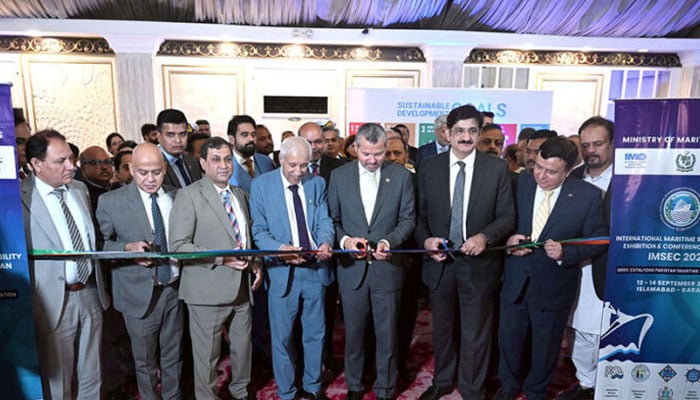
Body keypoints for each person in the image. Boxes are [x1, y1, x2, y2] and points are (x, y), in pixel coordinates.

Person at [494, 137, 607, 400]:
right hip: (516, 278)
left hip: (554, 283)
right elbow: (501, 219)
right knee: (509, 339)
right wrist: (508, 241)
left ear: (568, 171)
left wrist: (567, 252)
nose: (541, 176)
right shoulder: (519, 182)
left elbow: (598, 239)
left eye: (551, 171)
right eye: (538, 166)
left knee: (545, 346)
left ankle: (535, 391)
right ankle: (508, 387)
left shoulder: (587, 196)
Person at [415, 105, 515, 400]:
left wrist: (485, 236)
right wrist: (425, 241)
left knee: (475, 332)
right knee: (443, 329)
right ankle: (443, 381)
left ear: (480, 133)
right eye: (459, 130)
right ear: (447, 133)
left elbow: (507, 216)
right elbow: (419, 216)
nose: (466, 136)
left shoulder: (496, 169)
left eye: (473, 130)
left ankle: (473, 389)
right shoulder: (429, 167)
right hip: (440, 263)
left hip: (479, 263)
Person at [170, 136, 262, 400]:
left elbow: (245, 240)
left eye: (227, 159)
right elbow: (178, 247)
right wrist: (222, 259)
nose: (223, 165)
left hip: (242, 290)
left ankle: (240, 393)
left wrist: (256, 262)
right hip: (206, 293)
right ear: (202, 162)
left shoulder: (240, 195)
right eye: (215, 159)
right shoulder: (189, 196)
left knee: (243, 351)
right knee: (207, 358)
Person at [328, 123, 416, 400]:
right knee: (353, 334)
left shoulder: (401, 176)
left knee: (387, 335)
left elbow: (408, 219)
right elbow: (333, 220)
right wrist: (345, 242)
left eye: (379, 154)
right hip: (351, 270)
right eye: (366, 154)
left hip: (387, 269)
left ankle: (386, 388)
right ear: (355, 149)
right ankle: (354, 385)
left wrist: (389, 242)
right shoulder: (339, 177)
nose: (373, 160)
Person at [21, 129, 109, 399]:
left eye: (71, 158)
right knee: (57, 382)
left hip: (91, 293)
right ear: (36, 164)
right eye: (61, 161)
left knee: (92, 377)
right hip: (53, 301)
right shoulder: (19, 197)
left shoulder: (79, 189)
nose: (71, 166)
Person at [96, 143, 184, 400]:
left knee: (174, 354)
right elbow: (99, 246)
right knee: (144, 361)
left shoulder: (177, 196)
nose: (150, 179)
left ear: (165, 168)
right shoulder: (110, 201)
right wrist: (127, 249)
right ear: (131, 170)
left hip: (174, 288)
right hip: (137, 293)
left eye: (156, 172)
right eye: (143, 172)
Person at [250, 137, 335, 400]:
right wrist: (281, 249)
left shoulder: (316, 182)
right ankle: (287, 392)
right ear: (280, 160)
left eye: (304, 165)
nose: (299, 172)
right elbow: (259, 231)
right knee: (282, 338)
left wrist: (325, 241)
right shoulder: (261, 186)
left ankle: (312, 386)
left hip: (314, 270)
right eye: (293, 165)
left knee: (315, 334)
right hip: (282, 272)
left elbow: (324, 220)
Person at [556, 117, 613, 400]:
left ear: (612, 144)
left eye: (598, 144)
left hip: (610, 268)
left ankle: (606, 384)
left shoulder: (631, 178)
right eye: (586, 144)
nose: (591, 150)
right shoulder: (572, 177)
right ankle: (586, 383)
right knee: (575, 324)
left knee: (602, 328)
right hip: (573, 265)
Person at [298, 120, 345, 370]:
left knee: (327, 310)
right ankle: (300, 360)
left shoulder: (341, 167)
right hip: (296, 256)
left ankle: (325, 355)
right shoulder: (287, 168)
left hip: (331, 252)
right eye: (310, 142)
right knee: (297, 316)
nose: (315, 147)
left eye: (320, 141)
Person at [227, 115, 275, 192]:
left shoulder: (265, 162)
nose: (251, 139)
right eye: (245, 135)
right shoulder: (225, 165)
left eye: (253, 134)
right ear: (232, 139)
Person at [156, 109, 203, 188]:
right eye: (170, 135)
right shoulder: (153, 165)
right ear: (158, 136)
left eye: (183, 134)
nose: (178, 140)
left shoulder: (193, 161)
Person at [77, 146, 114, 211]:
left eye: (107, 162)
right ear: (83, 168)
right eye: (96, 163)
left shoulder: (118, 188)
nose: (104, 167)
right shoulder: (82, 195)